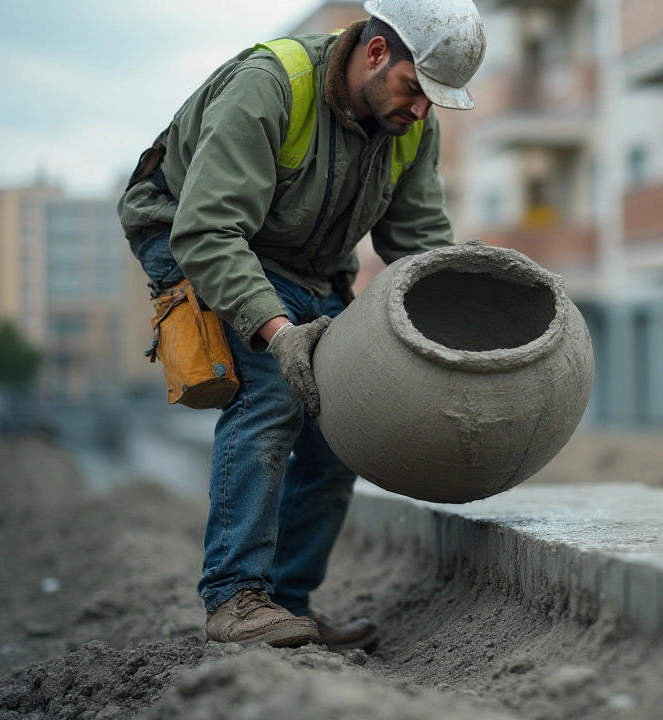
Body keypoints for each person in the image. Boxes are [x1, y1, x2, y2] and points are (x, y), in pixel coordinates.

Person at [117, 0, 486, 650]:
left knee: (340, 423)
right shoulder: (271, 87)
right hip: (191, 232)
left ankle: (285, 603)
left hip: (304, 263)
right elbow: (207, 229)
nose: (422, 111)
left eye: (435, 100)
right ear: (375, 54)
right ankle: (234, 599)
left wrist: (454, 336)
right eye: (415, 89)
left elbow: (419, 238)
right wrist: (279, 333)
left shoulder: (409, 124)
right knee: (273, 390)